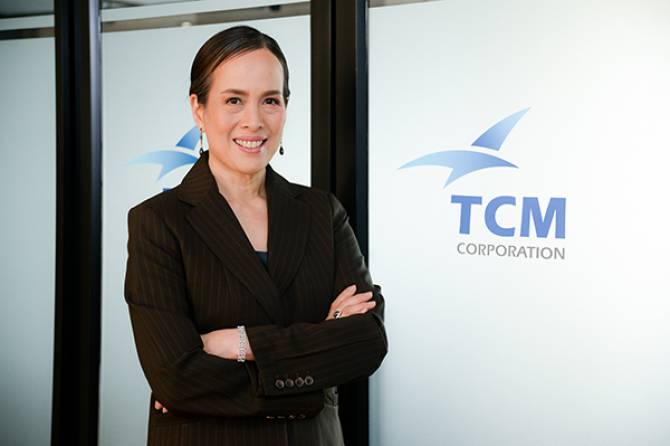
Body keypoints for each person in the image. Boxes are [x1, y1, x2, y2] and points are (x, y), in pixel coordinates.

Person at [124, 25, 388, 445]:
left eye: (270, 100)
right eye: (234, 100)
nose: (254, 120)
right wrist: (314, 370)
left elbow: (367, 341)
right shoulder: (158, 222)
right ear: (198, 109)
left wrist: (241, 343)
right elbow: (176, 378)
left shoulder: (321, 212)